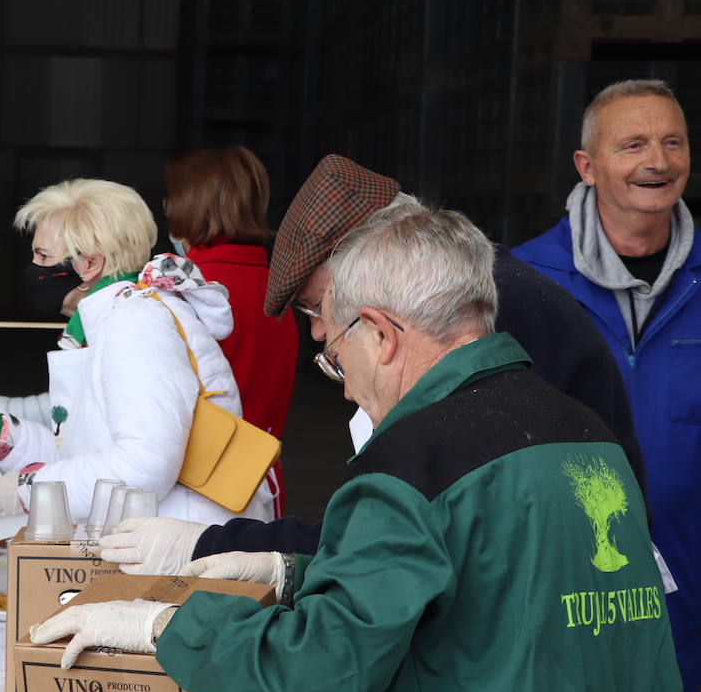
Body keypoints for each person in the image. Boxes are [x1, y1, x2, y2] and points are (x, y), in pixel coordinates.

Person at [34, 201, 695, 692]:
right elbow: (499, 589)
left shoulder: (413, 464)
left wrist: (163, 625)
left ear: (380, 334)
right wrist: (295, 572)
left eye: (334, 356)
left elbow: (317, 676)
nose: (344, 382)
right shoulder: (581, 430)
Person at [102, 154, 647, 580]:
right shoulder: (470, 298)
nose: (321, 332)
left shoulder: (480, 307)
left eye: (320, 305)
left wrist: (225, 549)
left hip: (577, 571)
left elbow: (408, 530)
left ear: (373, 255)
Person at [514, 78, 700, 692]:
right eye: (634, 144)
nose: (658, 159)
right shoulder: (524, 283)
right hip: (563, 582)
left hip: (687, 579)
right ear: (587, 167)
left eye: (672, 141)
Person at [0, 178, 276, 524]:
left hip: (184, 550)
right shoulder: (109, 322)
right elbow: (83, 457)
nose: (33, 269)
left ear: (89, 264)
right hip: (154, 541)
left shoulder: (136, 326)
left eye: (43, 256)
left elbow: (144, 466)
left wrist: (29, 490)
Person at [164, 145, 294, 513]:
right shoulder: (276, 286)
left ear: (188, 206)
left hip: (197, 486)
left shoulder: (188, 288)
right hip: (260, 479)